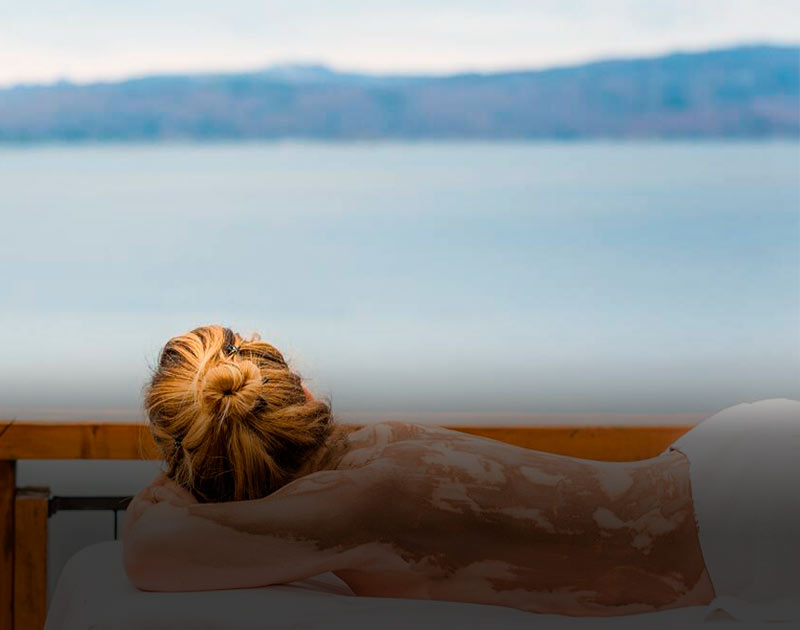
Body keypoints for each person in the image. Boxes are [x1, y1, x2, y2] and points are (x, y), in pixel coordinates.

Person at [123, 325, 799, 620]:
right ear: (302, 393)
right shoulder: (372, 453)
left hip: (746, 525)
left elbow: (149, 549)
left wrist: (188, 467)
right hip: (737, 465)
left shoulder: (348, 505)